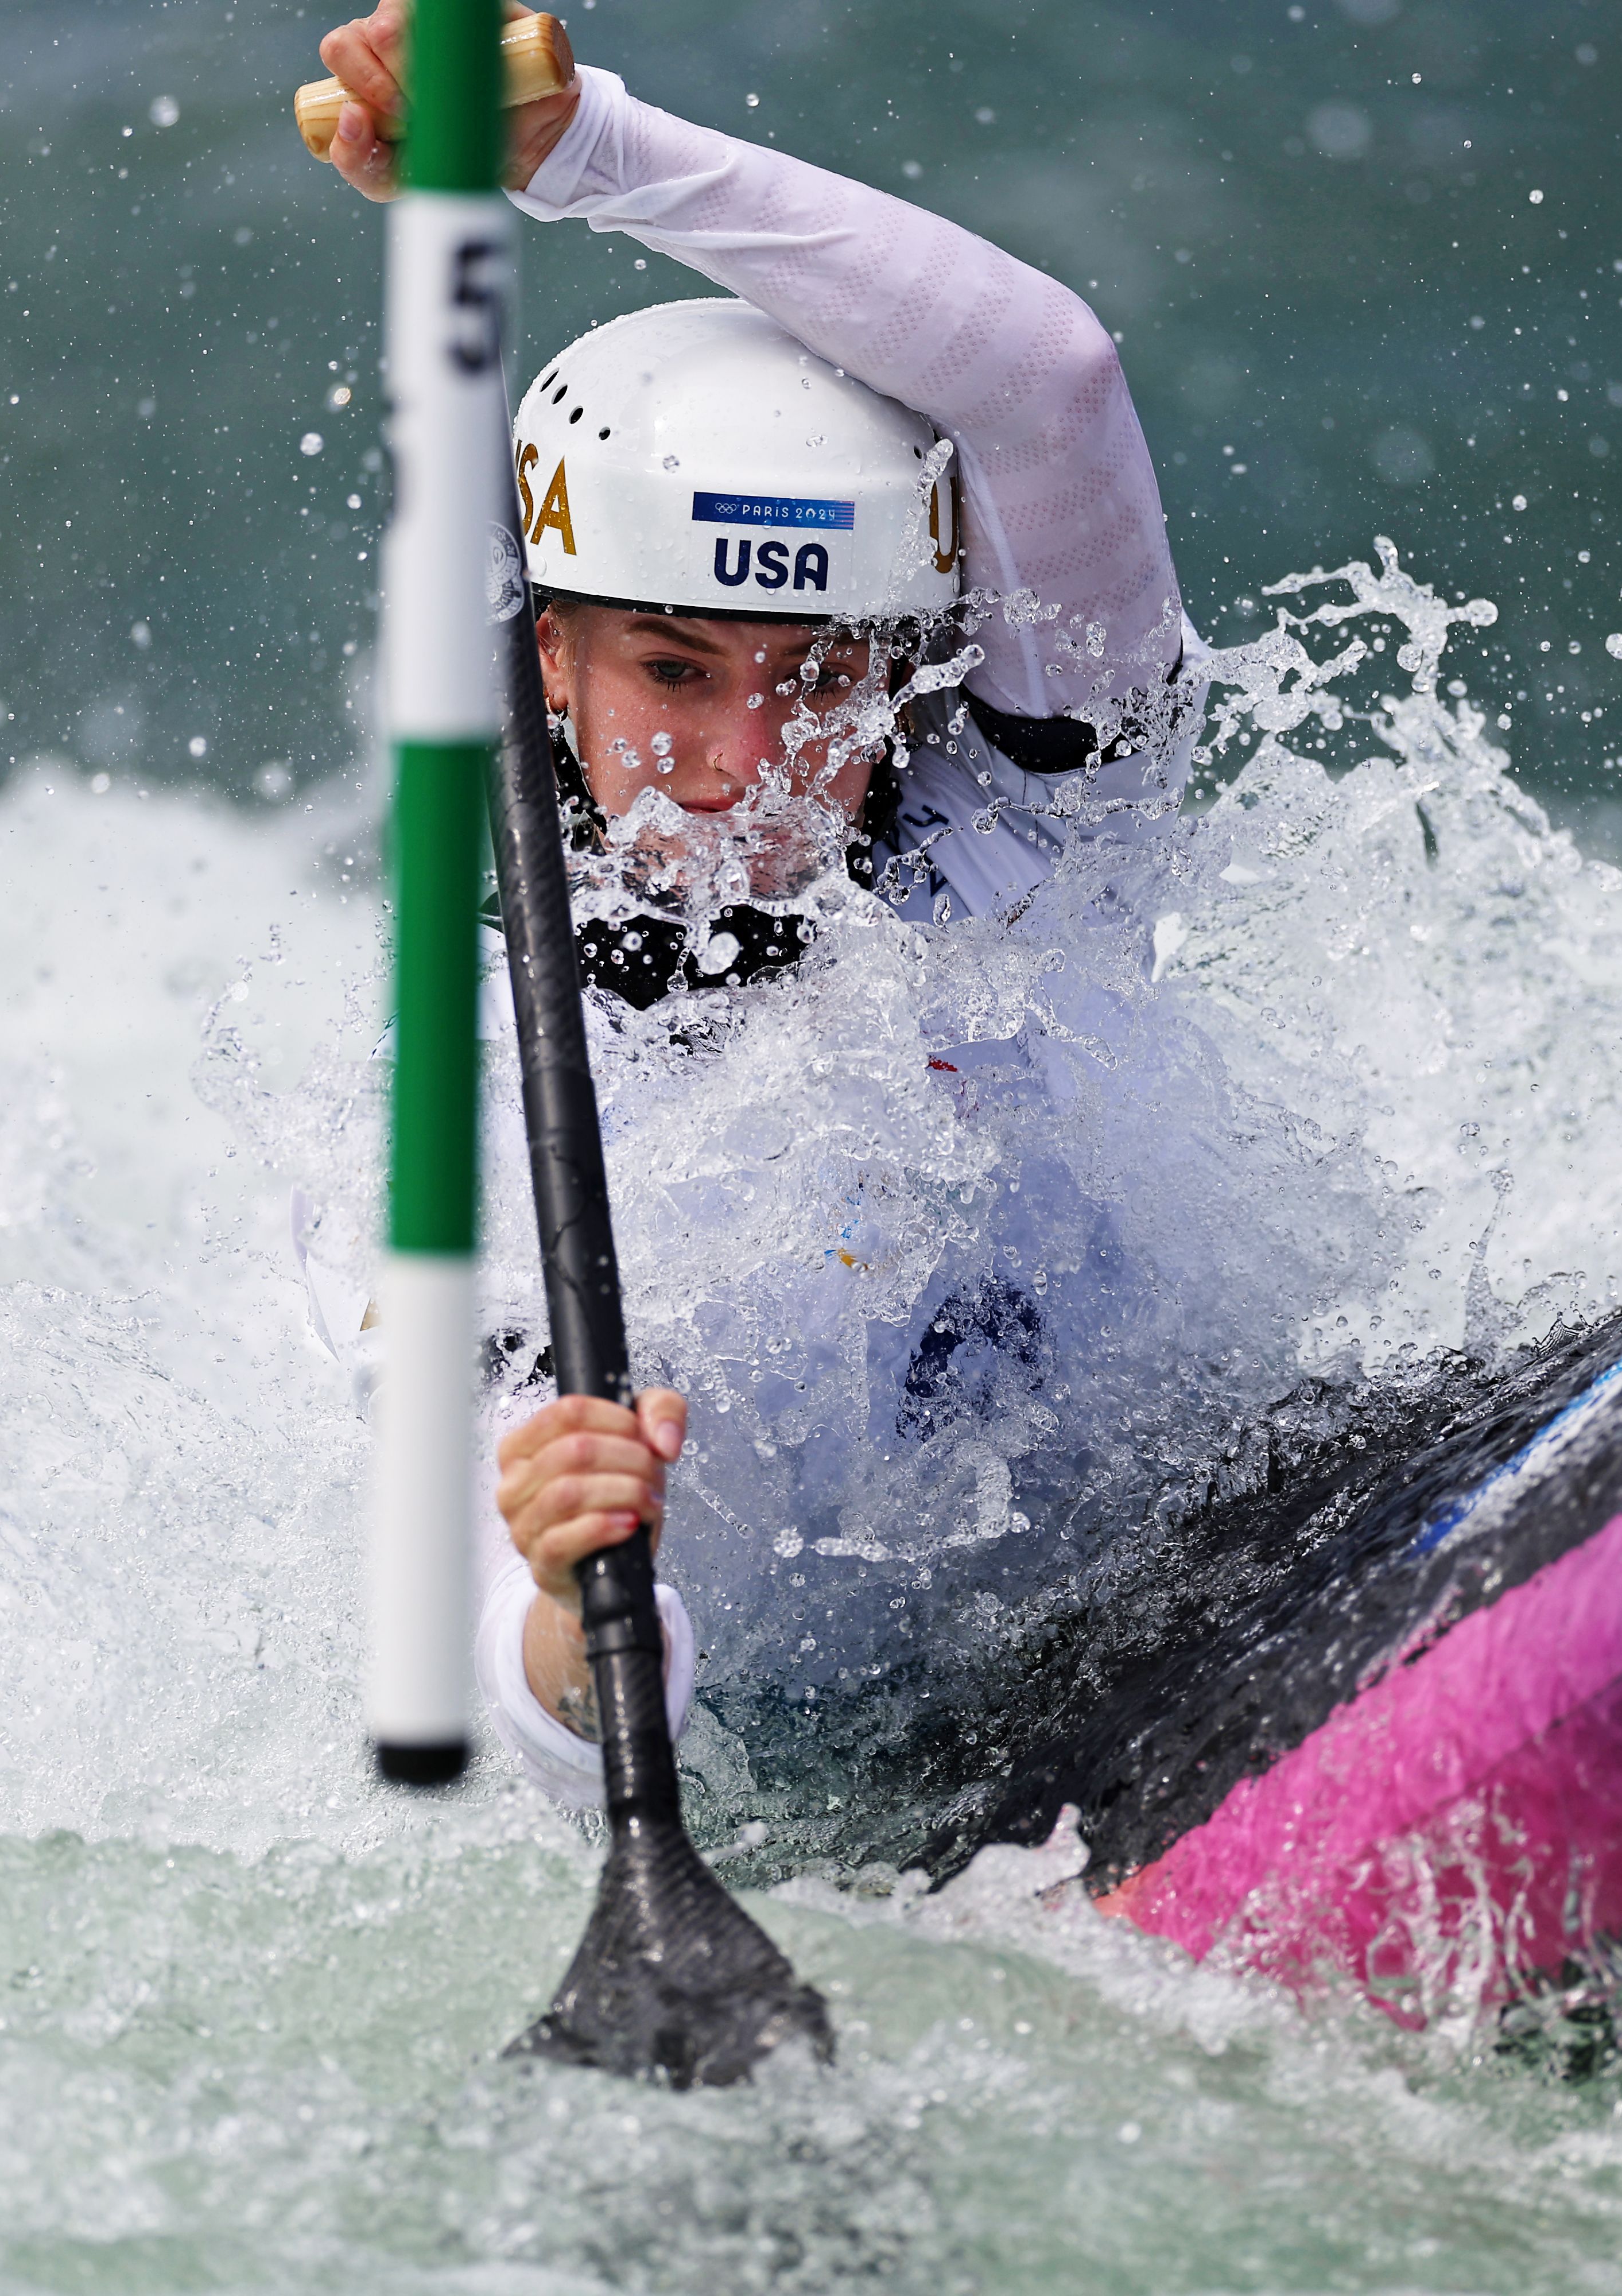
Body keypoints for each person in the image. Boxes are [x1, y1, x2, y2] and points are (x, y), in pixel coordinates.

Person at [317, 1, 1198, 1804]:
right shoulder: (475, 1093)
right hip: (840, 1775)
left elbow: (1053, 383)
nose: (748, 760)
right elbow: (524, 1707)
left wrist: (590, 155)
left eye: (821, 681)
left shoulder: (1047, 822)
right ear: (551, 661)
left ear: (912, 662)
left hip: (1198, 1555)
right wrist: (573, 1599)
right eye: (675, 671)